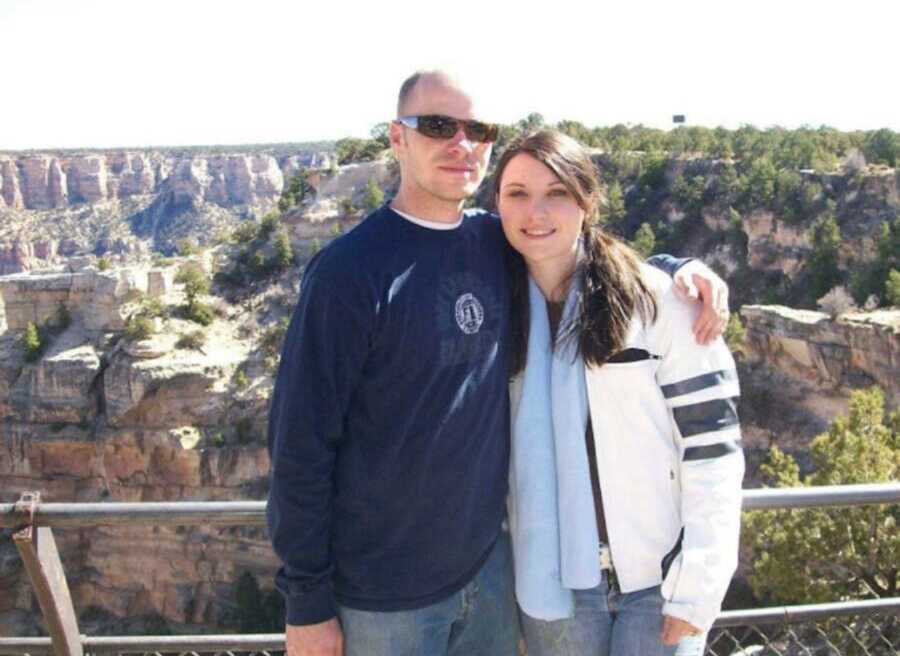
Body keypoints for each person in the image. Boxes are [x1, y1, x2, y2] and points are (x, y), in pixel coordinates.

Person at [266, 70, 730, 656]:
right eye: (437, 125)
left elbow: (579, 253)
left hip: (491, 582)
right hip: (384, 598)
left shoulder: (495, 244)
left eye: (477, 128)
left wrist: (682, 267)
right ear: (396, 138)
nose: (460, 143)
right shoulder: (346, 275)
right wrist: (306, 603)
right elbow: (299, 447)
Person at [495, 129, 745, 656]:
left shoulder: (660, 303)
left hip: (657, 584)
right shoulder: (491, 312)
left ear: (587, 201)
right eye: (517, 193)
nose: (536, 211)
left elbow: (713, 451)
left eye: (557, 192)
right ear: (497, 204)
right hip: (552, 585)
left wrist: (696, 588)